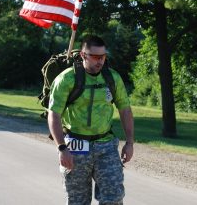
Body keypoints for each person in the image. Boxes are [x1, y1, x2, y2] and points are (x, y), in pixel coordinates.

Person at [48, 35, 134, 205]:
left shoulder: (113, 78)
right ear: (83, 55)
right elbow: (54, 115)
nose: (99, 61)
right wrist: (61, 147)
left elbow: (125, 110)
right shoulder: (66, 79)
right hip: (76, 147)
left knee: (114, 197)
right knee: (78, 200)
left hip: (106, 145)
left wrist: (130, 142)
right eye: (95, 57)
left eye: (103, 57)